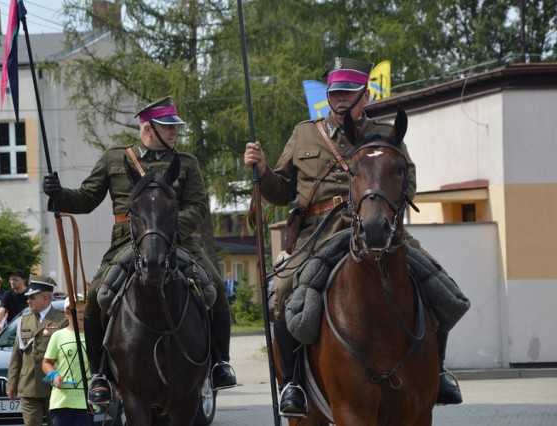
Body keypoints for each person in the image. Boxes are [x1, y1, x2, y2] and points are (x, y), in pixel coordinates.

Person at [244, 57, 463, 415]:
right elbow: (282, 191)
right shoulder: (305, 134)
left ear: (365, 95)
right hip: (320, 235)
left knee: (437, 285)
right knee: (283, 293)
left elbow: (407, 184)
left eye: (348, 91)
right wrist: (262, 169)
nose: (341, 98)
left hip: (378, 229)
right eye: (335, 92)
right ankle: (294, 385)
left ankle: (436, 374)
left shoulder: (387, 134)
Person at [42, 96, 237, 403]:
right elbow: (88, 198)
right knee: (95, 296)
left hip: (178, 242)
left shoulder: (186, 163)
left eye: (175, 127)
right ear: (148, 128)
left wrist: (167, 231)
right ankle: (99, 375)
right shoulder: (115, 158)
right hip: (126, 242)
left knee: (214, 289)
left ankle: (220, 363)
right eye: (168, 127)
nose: (175, 133)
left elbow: (198, 206)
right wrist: (60, 194)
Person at [7, 275, 68, 426]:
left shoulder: (62, 320)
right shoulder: (24, 319)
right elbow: (17, 356)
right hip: (29, 385)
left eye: (32, 297)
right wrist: (12, 384)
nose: (28, 300)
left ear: (46, 298)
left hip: (54, 386)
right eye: (28, 297)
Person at [42, 295, 89, 426]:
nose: (83, 315)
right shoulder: (58, 336)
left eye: (86, 311)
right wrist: (54, 375)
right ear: (67, 314)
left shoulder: (93, 336)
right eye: (79, 312)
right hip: (61, 401)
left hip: (86, 402)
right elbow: (46, 362)